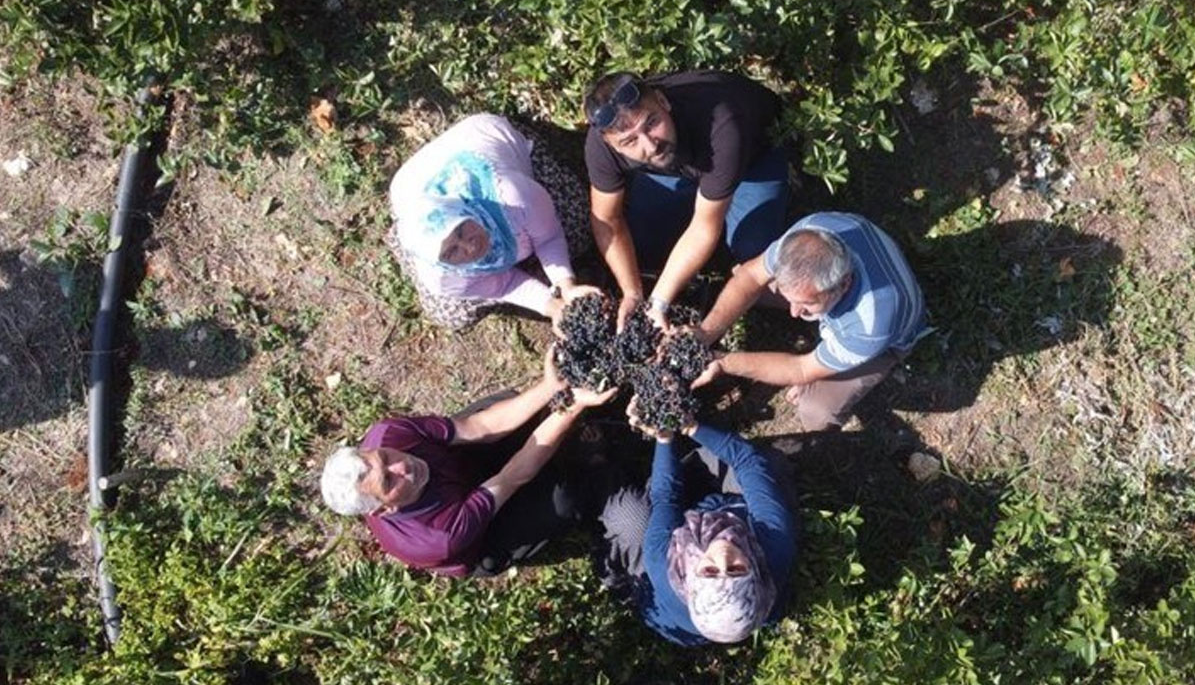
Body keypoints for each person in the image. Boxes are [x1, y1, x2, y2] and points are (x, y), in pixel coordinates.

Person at [320, 348, 616, 576]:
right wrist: (573, 406)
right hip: (479, 535)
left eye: (385, 458)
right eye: (389, 481)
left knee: (504, 405)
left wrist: (550, 388)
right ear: (384, 509)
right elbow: (514, 475)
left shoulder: (387, 434)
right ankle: (594, 476)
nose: (401, 466)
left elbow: (480, 428)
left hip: (460, 466)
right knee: (562, 500)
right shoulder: (440, 535)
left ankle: (552, 431)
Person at [582, 70, 790, 330]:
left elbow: (704, 227)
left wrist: (658, 302)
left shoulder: (723, 124)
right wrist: (632, 292)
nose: (649, 144)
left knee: (752, 257)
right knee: (641, 245)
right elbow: (607, 220)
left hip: (752, 159)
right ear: (611, 145)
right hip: (676, 166)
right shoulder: (600, 147)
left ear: (663, 101)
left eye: (651, 123)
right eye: (630, 141)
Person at [694, 211, 928, 431]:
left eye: (805, 305)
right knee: (742, 282)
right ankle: (814, 316)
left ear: (844, 284)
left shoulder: (872, 325)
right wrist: (706, 332)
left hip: (886, 343)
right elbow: (750, 276)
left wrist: (724, 363)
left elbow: (800, 369)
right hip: (846, 291)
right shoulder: (810, 233)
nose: (794, 313)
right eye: (791, 300)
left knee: (816, 411)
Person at [594, 403, 797, 645]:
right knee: (768, 466)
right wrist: (691, 426)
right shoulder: (775, 545)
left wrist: (665, 438)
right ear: (756, 572)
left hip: (665, 583)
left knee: (630, 518)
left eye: (710, 572)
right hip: (727, 510)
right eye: (736, 570)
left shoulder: (661, 562)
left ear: (692, 577)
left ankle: (596, 463)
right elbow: (747, 462)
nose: (723, 555)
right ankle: (705, 471)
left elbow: (665, 498)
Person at [389, 113, 596, 330]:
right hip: (409, 190)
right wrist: (550, 306)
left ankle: (521, 261)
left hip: (484, 136)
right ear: (439, 263)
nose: (470, 246)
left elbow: (549, 237)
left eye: (460, 230)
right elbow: (505, 285)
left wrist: (566, 284)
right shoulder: (442, 278)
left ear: (463, 210)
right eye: (451, 252)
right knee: (449, 315)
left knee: (578, 227)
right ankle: (400, 236)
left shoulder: (512, 197)